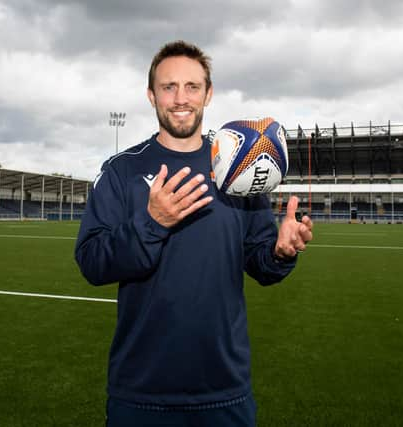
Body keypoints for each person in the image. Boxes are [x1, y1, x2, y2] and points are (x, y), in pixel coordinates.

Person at [75, 40, 313, 427]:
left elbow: (261, 263)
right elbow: (91, 261)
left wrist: (282, 252)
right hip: (141, 391)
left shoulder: (236, 167)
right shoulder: (122, 172)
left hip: (224, 390)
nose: (180, 98)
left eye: (192, 87)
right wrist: (152, 222)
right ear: (151, 95)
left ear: (208, 94)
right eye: (168, 87)